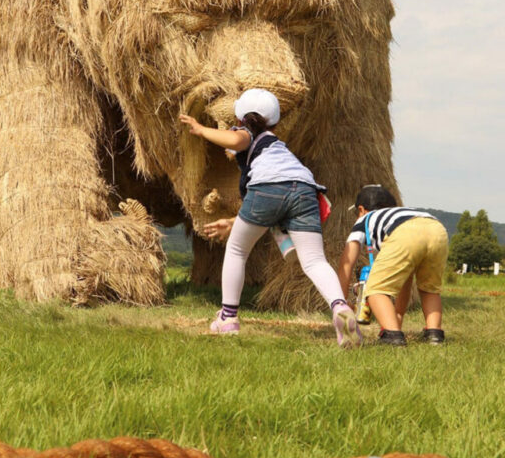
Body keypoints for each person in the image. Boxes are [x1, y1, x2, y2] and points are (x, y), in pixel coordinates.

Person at [179, 88, 361, 346]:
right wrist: (234, 222)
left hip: (268, 189)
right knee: (314, 261)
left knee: (237, 250)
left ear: (242, 117)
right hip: (306, 189)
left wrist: (201, 129)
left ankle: (228, 318)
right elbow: (276, 201)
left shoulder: (248, 133)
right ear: (274, 121)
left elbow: (236, 144)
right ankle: (340, 307)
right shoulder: (277, 146)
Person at [337, 184, 448, 346]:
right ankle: (434, 334)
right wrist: (398, 316)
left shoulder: (364, 220)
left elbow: (346, 264)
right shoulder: (401, 213)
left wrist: (341, 302)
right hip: (437, 229)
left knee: (375, 289)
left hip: (405, 233)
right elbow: (406, 279)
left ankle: (392, 336)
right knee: (429, 289)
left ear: (361, 209)